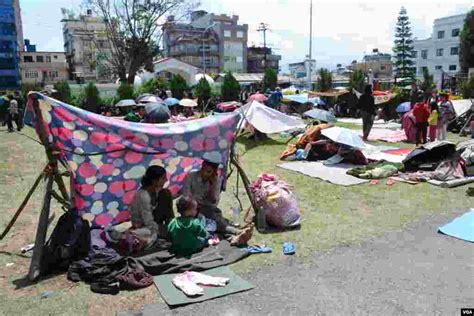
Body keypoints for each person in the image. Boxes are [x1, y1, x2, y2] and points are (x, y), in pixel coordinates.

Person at [182, 160, 240, 235]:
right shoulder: (191, 176)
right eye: (203, 169)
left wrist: (212, 187)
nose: (204, 173)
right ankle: (232, 231)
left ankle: (234, 232)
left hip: (207, 209)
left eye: (209, 172)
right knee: (203, 221)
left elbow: (214, 203)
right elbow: (186, 197)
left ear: (214, 172)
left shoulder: (216, 181)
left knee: (214, 219)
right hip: (191, 208)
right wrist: (195, 208)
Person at [129, 166, 174, 246]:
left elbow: (168, 214)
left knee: (166, 193)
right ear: (154, 181)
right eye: (163, 178)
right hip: (144, 227)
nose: (166, 180)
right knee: (149, 234)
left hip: (156, 225)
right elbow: (148, 222)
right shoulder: (143, 196)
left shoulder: (160, 192)